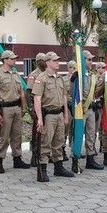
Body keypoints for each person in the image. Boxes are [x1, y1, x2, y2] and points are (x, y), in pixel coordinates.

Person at [32, 51, 75, 182]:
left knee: (59, 141)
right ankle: (43, 169)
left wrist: (66, 115)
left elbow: (64, 98)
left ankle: (59, 167)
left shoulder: (60, 78)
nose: (58, 62)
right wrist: (39, 118)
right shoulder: (42, 78)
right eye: (55, 60)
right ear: (47, 63)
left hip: (59, 114)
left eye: (58, 60)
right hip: (48, 115)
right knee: (45, 142)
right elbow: (37, 99)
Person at [0, 51, 30, 174]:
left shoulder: (15, 74)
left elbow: (21, 92)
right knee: (4, 137)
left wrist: (23, 108)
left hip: (16, 107)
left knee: (17, 135)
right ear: (5, 60)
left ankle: (17, 159)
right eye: (12, 59)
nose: (14, 60)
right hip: (4, 109)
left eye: (15, 58)